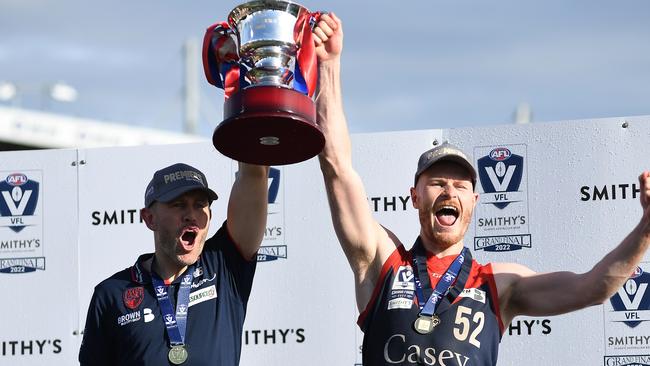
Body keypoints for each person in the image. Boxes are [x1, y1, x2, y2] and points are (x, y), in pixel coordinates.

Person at [312, 14, 650, 365]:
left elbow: (593, 288)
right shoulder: (384, 261)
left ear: (473, 202)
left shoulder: (499, 283)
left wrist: (646, 229)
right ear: (414, 196)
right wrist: (330, 65)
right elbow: (336, 165)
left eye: (460, 185)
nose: (449, 192)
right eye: (437, 183)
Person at [79, 162, 269, 365]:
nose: (191, 215)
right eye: (178, 204)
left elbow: (253, 175)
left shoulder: (224, 264)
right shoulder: (111, 294)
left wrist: (254, 139)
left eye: (199, 204)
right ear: (150, 218)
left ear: (210, 215)